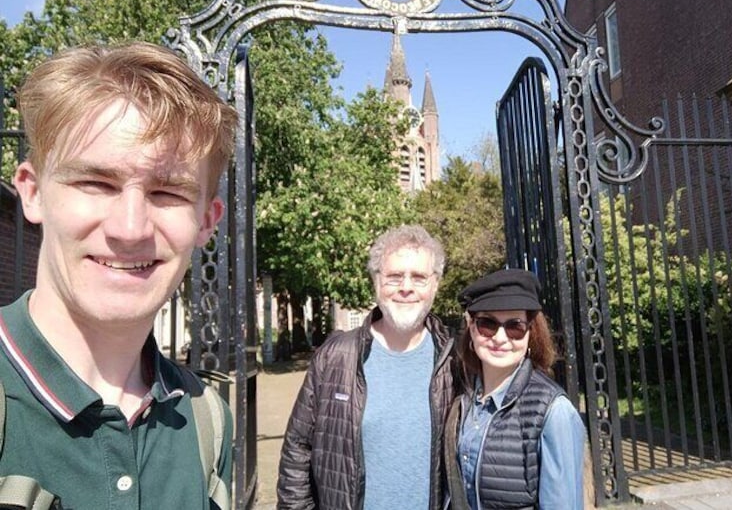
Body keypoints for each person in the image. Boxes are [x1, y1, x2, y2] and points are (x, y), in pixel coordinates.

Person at [0, 42, 237, 509]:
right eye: (96, 183)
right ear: (32, 193)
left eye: (167, 192)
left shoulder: (206, 419)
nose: (130, 229)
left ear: (207, 222)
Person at [277, 224, 457, 509]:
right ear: (376, 281)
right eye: (394, 276)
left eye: (419, 277)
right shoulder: (336, 356)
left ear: (435, 284)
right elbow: (297, 450)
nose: (406, 287)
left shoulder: (455, 359)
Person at [446, 269, 586, 510]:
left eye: (515, 327)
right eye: (487, 324)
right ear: (471, 328)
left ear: (531, 333)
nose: (500, 338)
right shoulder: (464, 399)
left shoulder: (554, 412)